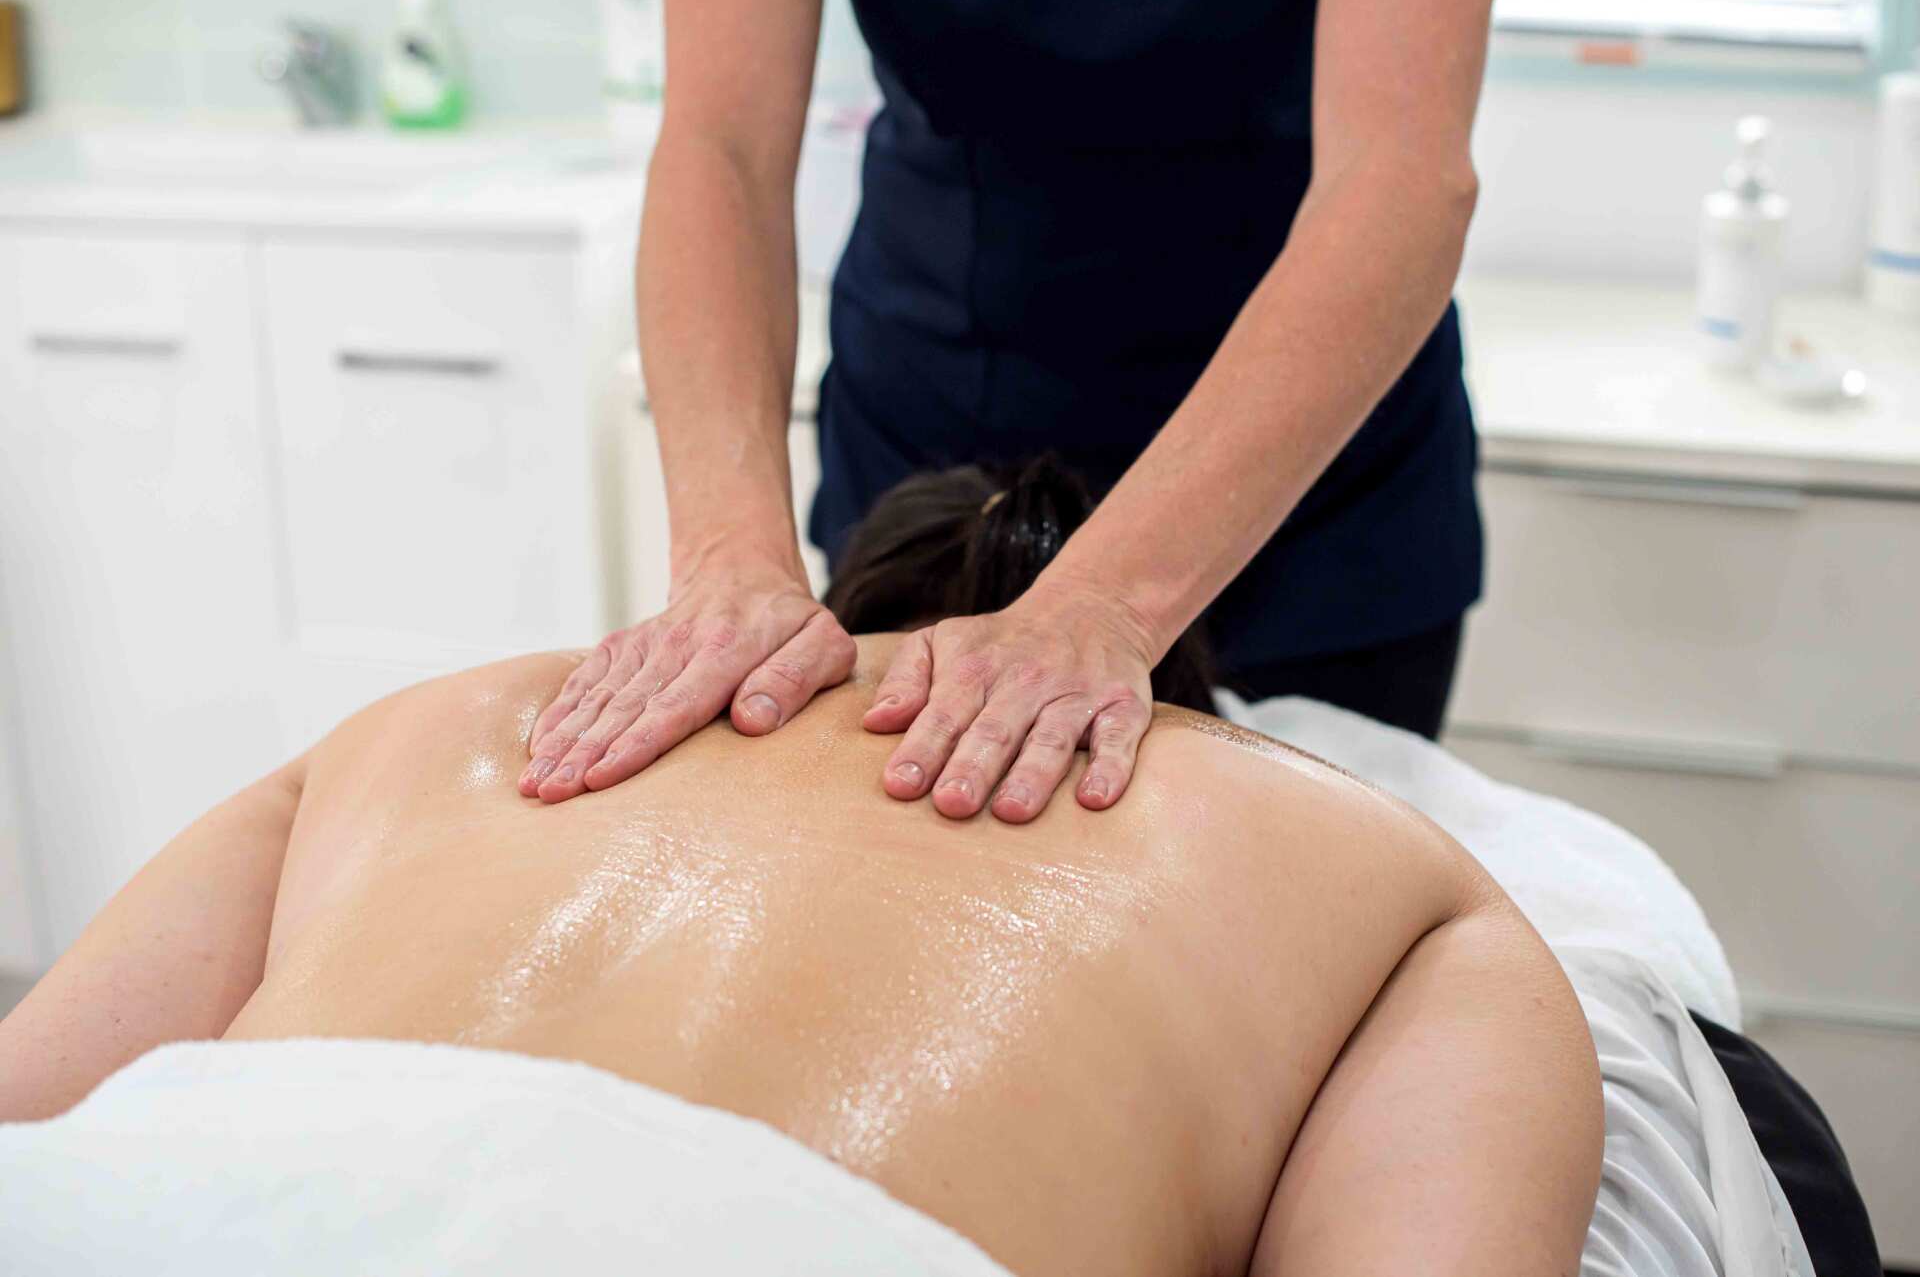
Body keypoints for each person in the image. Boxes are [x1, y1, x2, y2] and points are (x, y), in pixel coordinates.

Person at [0, 464, 1602, 1277]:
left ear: (843, 608)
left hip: (169, 1209)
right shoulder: (1398, 880)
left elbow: (32, 1106)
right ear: (1171, 706)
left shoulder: (435, 726)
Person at [518, 0, 1496, 820]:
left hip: (1296, 475)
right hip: (938, 422)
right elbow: (718, 145)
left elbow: (1398, 177)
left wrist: (1106, 602)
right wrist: (728, 557)